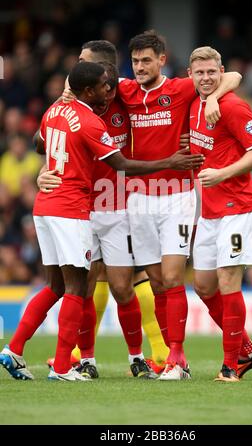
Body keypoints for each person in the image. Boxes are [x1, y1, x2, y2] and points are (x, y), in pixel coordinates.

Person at [0, 61, 202, 382]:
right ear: (88, 89)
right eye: (103, 86)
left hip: (53, 206)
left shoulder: (55, 111)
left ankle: (14, 348)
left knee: (60, 286)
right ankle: (67, 366)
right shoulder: (89, 121)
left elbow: (45, 143)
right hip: (73, 208)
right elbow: (121, 163)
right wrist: (172, 162)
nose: (110, 90)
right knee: (78, 288)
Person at [39, 40, 171, 377]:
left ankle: (143, 355)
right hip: (79, 205)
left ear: (106, 74)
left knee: (121, 285)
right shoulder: (75, 101)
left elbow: (160, 107)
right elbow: (43, 141)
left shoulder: (125, 94)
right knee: (82, 285)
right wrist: (45, 170)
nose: (76, 66)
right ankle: (84, 358)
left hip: (117, 204)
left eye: (83, 61)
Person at [116, 30, 242, 380]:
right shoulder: (124, 90)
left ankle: (178, 357)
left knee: (172, 276)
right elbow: (81, 78)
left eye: (146, 60)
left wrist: (215, 97)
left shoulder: (181, 88)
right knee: (156, 282)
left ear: (162, 60)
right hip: (138, 198)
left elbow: (233, 75)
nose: (140, 67)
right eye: (135, 61)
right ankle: (171, 354)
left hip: (177, 196)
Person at [188, 46, 252, 381]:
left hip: (238, 208)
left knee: (228, 281)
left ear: (220, 70)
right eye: (199, 73)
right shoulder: (195, 103)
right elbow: (232, 77)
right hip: (209, 211)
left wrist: (223, 173)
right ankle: (248, 349)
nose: (206, 78)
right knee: (205, 286)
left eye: (211, 72)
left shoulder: (233, 107)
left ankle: (231, 366)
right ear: (190, 74)